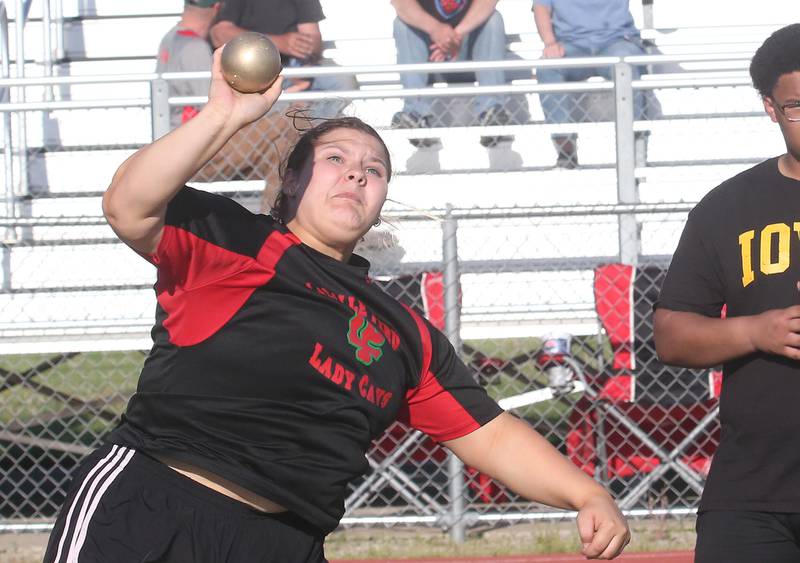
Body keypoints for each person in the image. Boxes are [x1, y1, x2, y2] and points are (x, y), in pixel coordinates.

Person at [43, 47, 630, 562]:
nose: (356, 174)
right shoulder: (237, 241)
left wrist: (587, 493)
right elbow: (127, 204)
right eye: (336, 160)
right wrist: (222, 115)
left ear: (381, 201)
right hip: (155, 506)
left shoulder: (404, 333)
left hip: (287, 542)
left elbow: (490, 434)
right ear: (293, 182)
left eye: (373, 171)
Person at [653, 24, 800, 563]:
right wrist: (757, 331)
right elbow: (670, 335)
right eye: (797, 107)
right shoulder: (727, 208)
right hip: (751, 491)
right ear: (770, 109)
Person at [156, 0, 302, 189]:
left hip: (186, 147)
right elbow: (214, 108)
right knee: (291, 118)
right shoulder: (195, 48)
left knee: (282, 149)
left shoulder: (171, 37)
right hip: (197, 152)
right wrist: (288, 95)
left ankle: (274, 216)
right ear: (216, 8)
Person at [532, 0, 655, 168]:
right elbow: (541, 7)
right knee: (547, 68)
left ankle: (635, 152)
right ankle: (566, 151)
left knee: (627, 64)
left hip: (616, 40)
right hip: (571, 44)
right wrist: (550, 43)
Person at [390, 0, 514, 147]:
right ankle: (415, 115)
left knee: (493, 19)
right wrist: (436, 29)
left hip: (470, 52)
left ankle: (491, 111)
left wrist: (454, 36)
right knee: (401, 24)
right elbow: (401, 4)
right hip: (430, 56)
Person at [209, 0, 357, 120]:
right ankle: (290, 123)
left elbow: (313, 37)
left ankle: (312, 132)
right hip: (254, 70)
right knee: (268, 106)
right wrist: (279, 43)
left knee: (343, 80)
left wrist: (306, 64)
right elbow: (219, 33)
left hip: (295, 68)